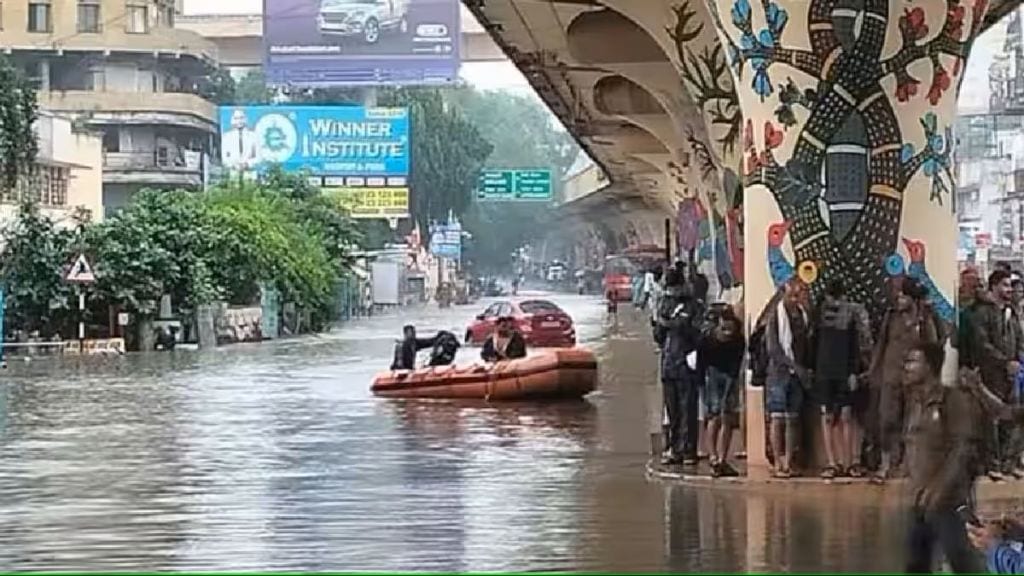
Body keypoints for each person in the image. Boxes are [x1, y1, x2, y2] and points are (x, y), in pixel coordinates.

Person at [904, 342, 985, 574]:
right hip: (920, 503)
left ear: (929, 367)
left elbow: (961, 449)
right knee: (915, 565)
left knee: (963, 563)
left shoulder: (952, 400)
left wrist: (939, 489)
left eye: (913, 362)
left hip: (948, 501)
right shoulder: (915, 403)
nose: (907, 367)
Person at [868, 277, 941, 480]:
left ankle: (907, 466)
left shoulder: (925, 318)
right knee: (886, 420)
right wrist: (874, 371)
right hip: (891, 376)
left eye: (903, 294)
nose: (898, 298)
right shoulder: (891, 317)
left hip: (915, 380)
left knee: (912, 423)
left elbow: (934, 346)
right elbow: (881, 345)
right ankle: (884, 464)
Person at [972, 269, 1024, 478]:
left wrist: (1017, 362)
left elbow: (1020, 340)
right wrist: (1004, 363)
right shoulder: (982, 313)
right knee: (991, 419)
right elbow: (982, 344)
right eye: (1005, 285)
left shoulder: (1011, 314)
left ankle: (1008, 462)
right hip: (991, 373)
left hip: (1011, 375)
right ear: (993, 286)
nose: (1009, 289)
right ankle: (993, 464)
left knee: (1013, 418)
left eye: (1010, 286)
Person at [813, 280, 865, 479]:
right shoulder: (818, 316)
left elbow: (854, 345)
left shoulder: (849, 317)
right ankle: (832, 462)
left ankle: (848, 461)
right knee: (828, 417)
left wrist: (853, 371)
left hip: (842, 370)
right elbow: (813, 343)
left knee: (845, 416)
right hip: (824, 371)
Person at [765, 279, 812, 478]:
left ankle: (790, 461)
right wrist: (795, 366)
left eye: (799, 294)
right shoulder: (775, 315)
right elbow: (773, 349)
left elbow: (806, 344)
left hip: (797, 375)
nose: (796, 298)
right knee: (777, 418)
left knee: (793, 419)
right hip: (779, 374)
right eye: (793, 294)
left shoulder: (803, 316)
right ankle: (777, 460)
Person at [658, 268, 704, 466]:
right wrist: (661, 325)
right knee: (673, 410)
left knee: (688, 409)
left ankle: (688, 450)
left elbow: (697, 333)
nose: (672, 292)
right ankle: (674, 448)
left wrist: (675, 325)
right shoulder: (665, 304)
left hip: (686, 364)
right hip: (668, 365)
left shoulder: (694, 306)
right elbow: (658, 336)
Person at [698, 304, 745, 477]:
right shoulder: (707, 339)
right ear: (718, 324)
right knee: (714, 416)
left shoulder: (738, 339)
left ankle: (722, 459)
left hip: (729, 376)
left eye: (730, 328)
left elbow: (737, 363)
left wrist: (731, 383)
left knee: (727, 418)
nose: (727, 332)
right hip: (712, 375)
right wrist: (701, 385)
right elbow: (701, 365)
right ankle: (714, 457)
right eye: (724, 328)